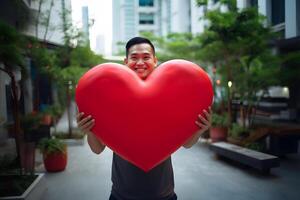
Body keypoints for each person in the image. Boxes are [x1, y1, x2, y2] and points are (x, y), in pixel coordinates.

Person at [76, 37, 212, 200]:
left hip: (164, 196)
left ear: (155, 61)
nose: (140, 62)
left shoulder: (168, 97)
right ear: (126, 62)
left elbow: (186, 143)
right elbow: (98, 149)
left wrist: (200, 129)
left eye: (146, 57)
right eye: (134, 57)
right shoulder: (114, 99)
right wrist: (89, 131)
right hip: (121, 196)